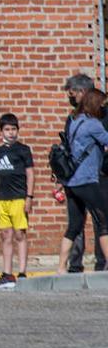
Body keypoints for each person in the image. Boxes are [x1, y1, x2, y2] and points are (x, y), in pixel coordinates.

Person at [57, 88, 108, 273]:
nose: (103, 108)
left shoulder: (75, 122)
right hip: (87, 180)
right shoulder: (94, 124)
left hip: (72, 182)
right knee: (104, 220)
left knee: (74, 226)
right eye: (102, 104)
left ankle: (61, 267)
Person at [0, 113, 33, 289]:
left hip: (18, 198)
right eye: (7, 129)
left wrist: (29, 197)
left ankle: (22, 272)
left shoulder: (23, 150)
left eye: (13, 129)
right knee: (6, 235)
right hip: (1, 199)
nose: (11, 133)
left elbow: (30, 174)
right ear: (1, 132)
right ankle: (7, 273)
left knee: (20, 234)